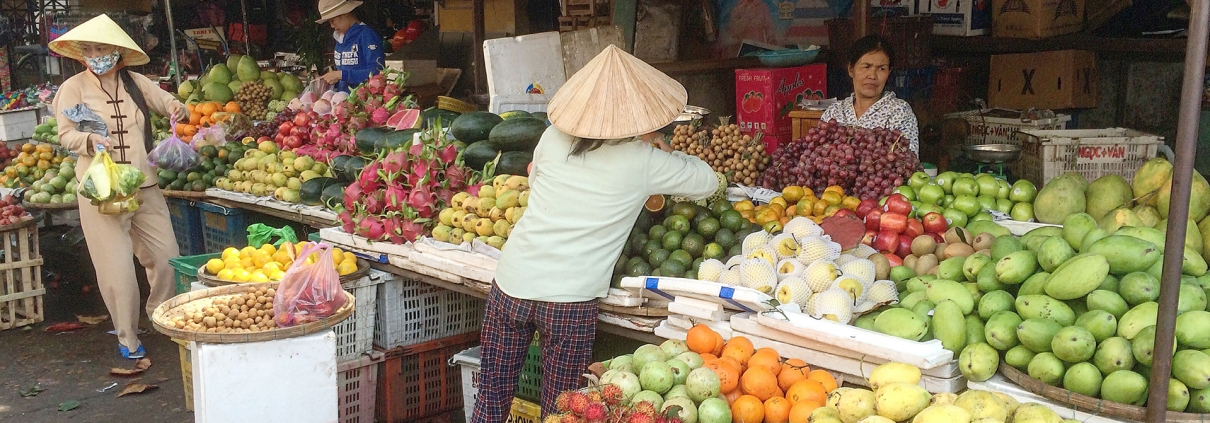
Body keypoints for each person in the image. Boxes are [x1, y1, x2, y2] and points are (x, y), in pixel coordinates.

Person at [471, 45, 722, 422]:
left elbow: (536, 179)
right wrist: (661, 147)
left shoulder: (553, 137)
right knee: (563, 410)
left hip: (512, 282)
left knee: (491, 396)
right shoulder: (643, 161)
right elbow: (707, 181)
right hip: (569, 299)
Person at [49, 14, 185, 359]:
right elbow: (65, 134)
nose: (96, 54)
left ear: (117, 51)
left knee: (167, 256)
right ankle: (127, 337)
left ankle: (161, 316)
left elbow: (165, 102)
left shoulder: (136, 82)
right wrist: (89, 139)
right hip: (102, 189)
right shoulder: (73, 88)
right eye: (90, 49)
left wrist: (178, 108)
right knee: (117, 267)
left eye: (102, 48)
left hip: (144, 184)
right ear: (82, 54)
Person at [821, 35, 920, 154]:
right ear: (851, 69)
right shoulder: (834, 112)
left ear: (889, 72)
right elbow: (819, 154)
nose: (872, 75)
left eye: (881, 69)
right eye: (866, 67)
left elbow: (908, 159)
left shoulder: (899, 112)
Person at [316, 0, 384, 92]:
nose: (331, 26)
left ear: (345, 13)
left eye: (332, 20)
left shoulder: (367, 35)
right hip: (342, 99)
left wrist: (341, 75)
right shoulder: (339, 38)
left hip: (364, 99)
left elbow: (377, 72)